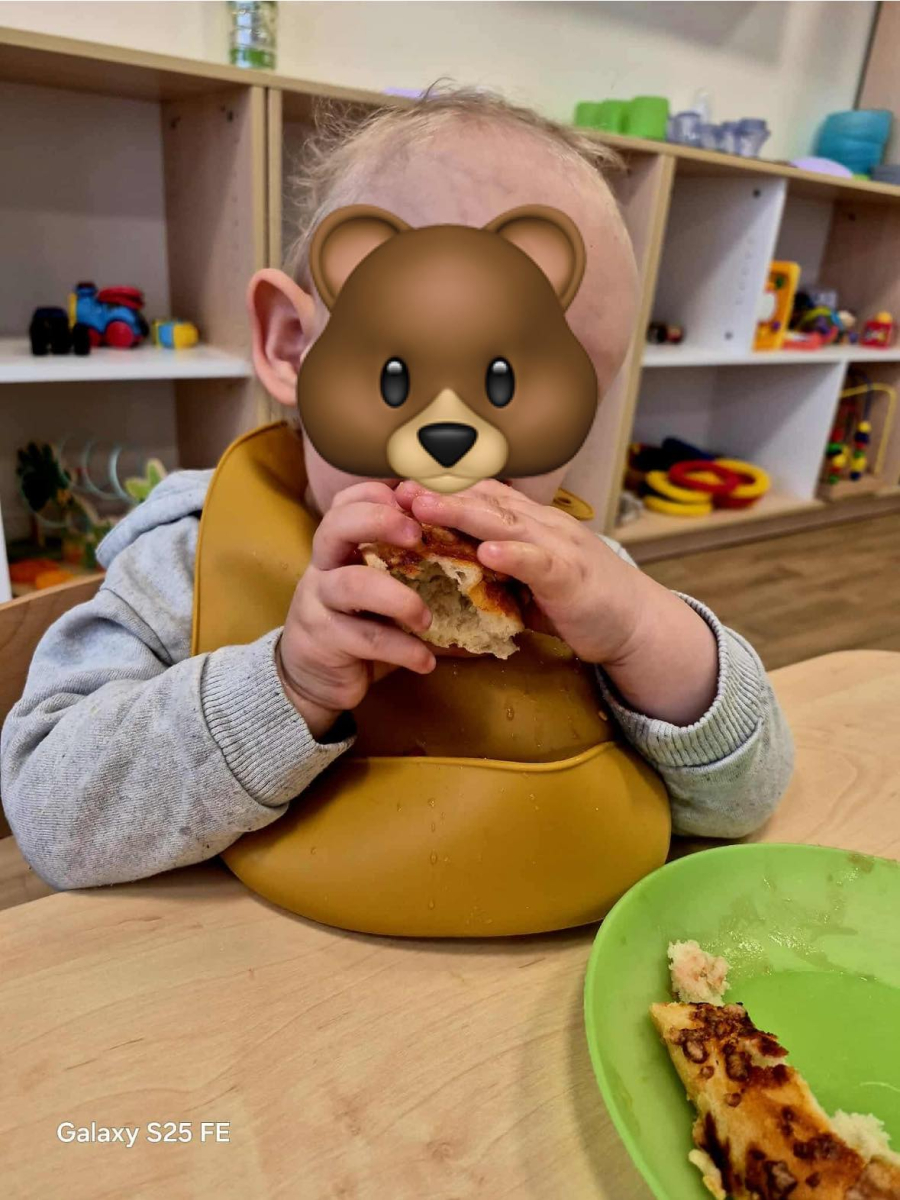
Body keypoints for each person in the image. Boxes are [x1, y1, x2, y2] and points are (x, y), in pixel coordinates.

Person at [0, 89, 792, 890]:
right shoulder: (188, 561)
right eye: (400, 370)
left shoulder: (587, 580)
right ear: (292, 346)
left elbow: (745, 803)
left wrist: (643, 635)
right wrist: (286, 686)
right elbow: (51, 815)